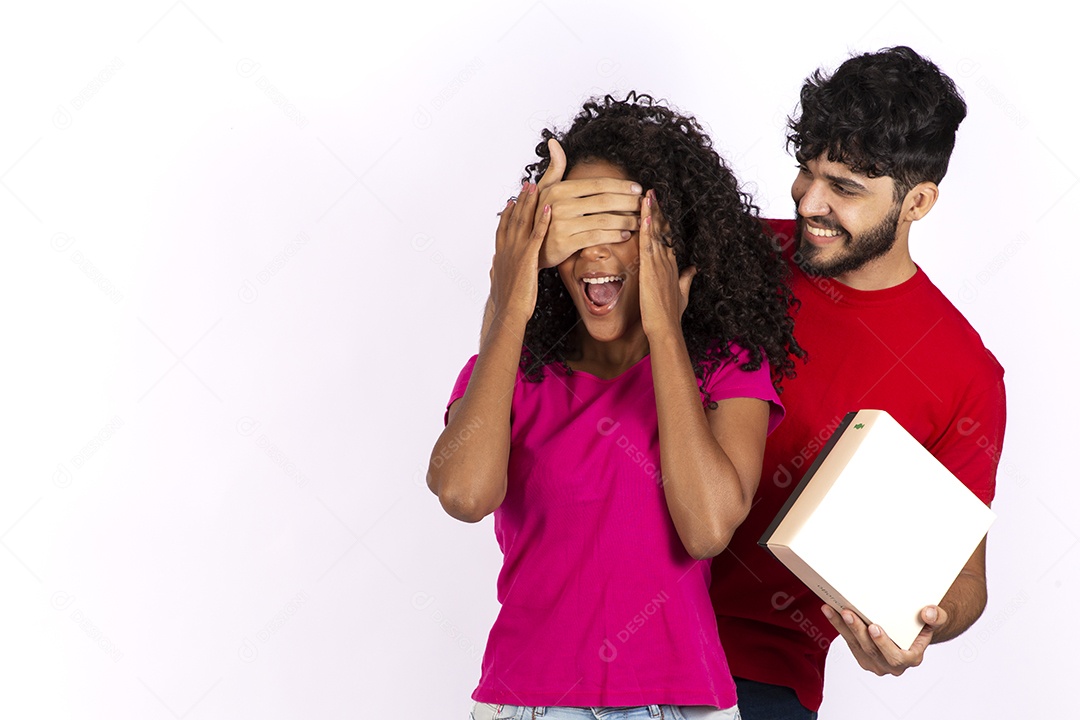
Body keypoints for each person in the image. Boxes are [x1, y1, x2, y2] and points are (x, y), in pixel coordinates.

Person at [528, 48, 1007, 720]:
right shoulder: (735, 254)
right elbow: (589, 285)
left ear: (918, 201)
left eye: (843, 187)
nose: (810, 201)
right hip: (607, 627)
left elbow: (965, 576)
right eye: (806, 172)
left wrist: (927, 622)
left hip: (760, 667)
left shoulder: (964, 372)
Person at [428, 93, 803, 720]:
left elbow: (708, 527)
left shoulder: (727, 367)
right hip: (531, 703)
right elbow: (465, 495)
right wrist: (507, 299)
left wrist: (665, 334)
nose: (597, 255)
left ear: (670, 241)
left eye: (622, 232)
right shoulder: (516, 373)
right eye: (579, 233)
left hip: (681, 705)